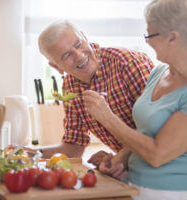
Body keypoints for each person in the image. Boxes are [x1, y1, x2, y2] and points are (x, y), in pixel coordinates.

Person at [83, 0, 187, 199]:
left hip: (172, 194)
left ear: (172, 38)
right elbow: (147, 133)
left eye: (150, 34)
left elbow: (157, 154)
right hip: (133, 186)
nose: (147, 41)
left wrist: (106, 117)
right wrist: (121, 159)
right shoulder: (159, 72)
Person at [34, 20, 154, 159]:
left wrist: (119, 159)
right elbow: (74, 146)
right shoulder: (70, 87)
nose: (79, 55)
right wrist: (30, 153)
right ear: (56, 67)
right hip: (133, 166)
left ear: (85, 38)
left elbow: (156, 128)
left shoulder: (127, 62)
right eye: (67, 55)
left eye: (78, 44)